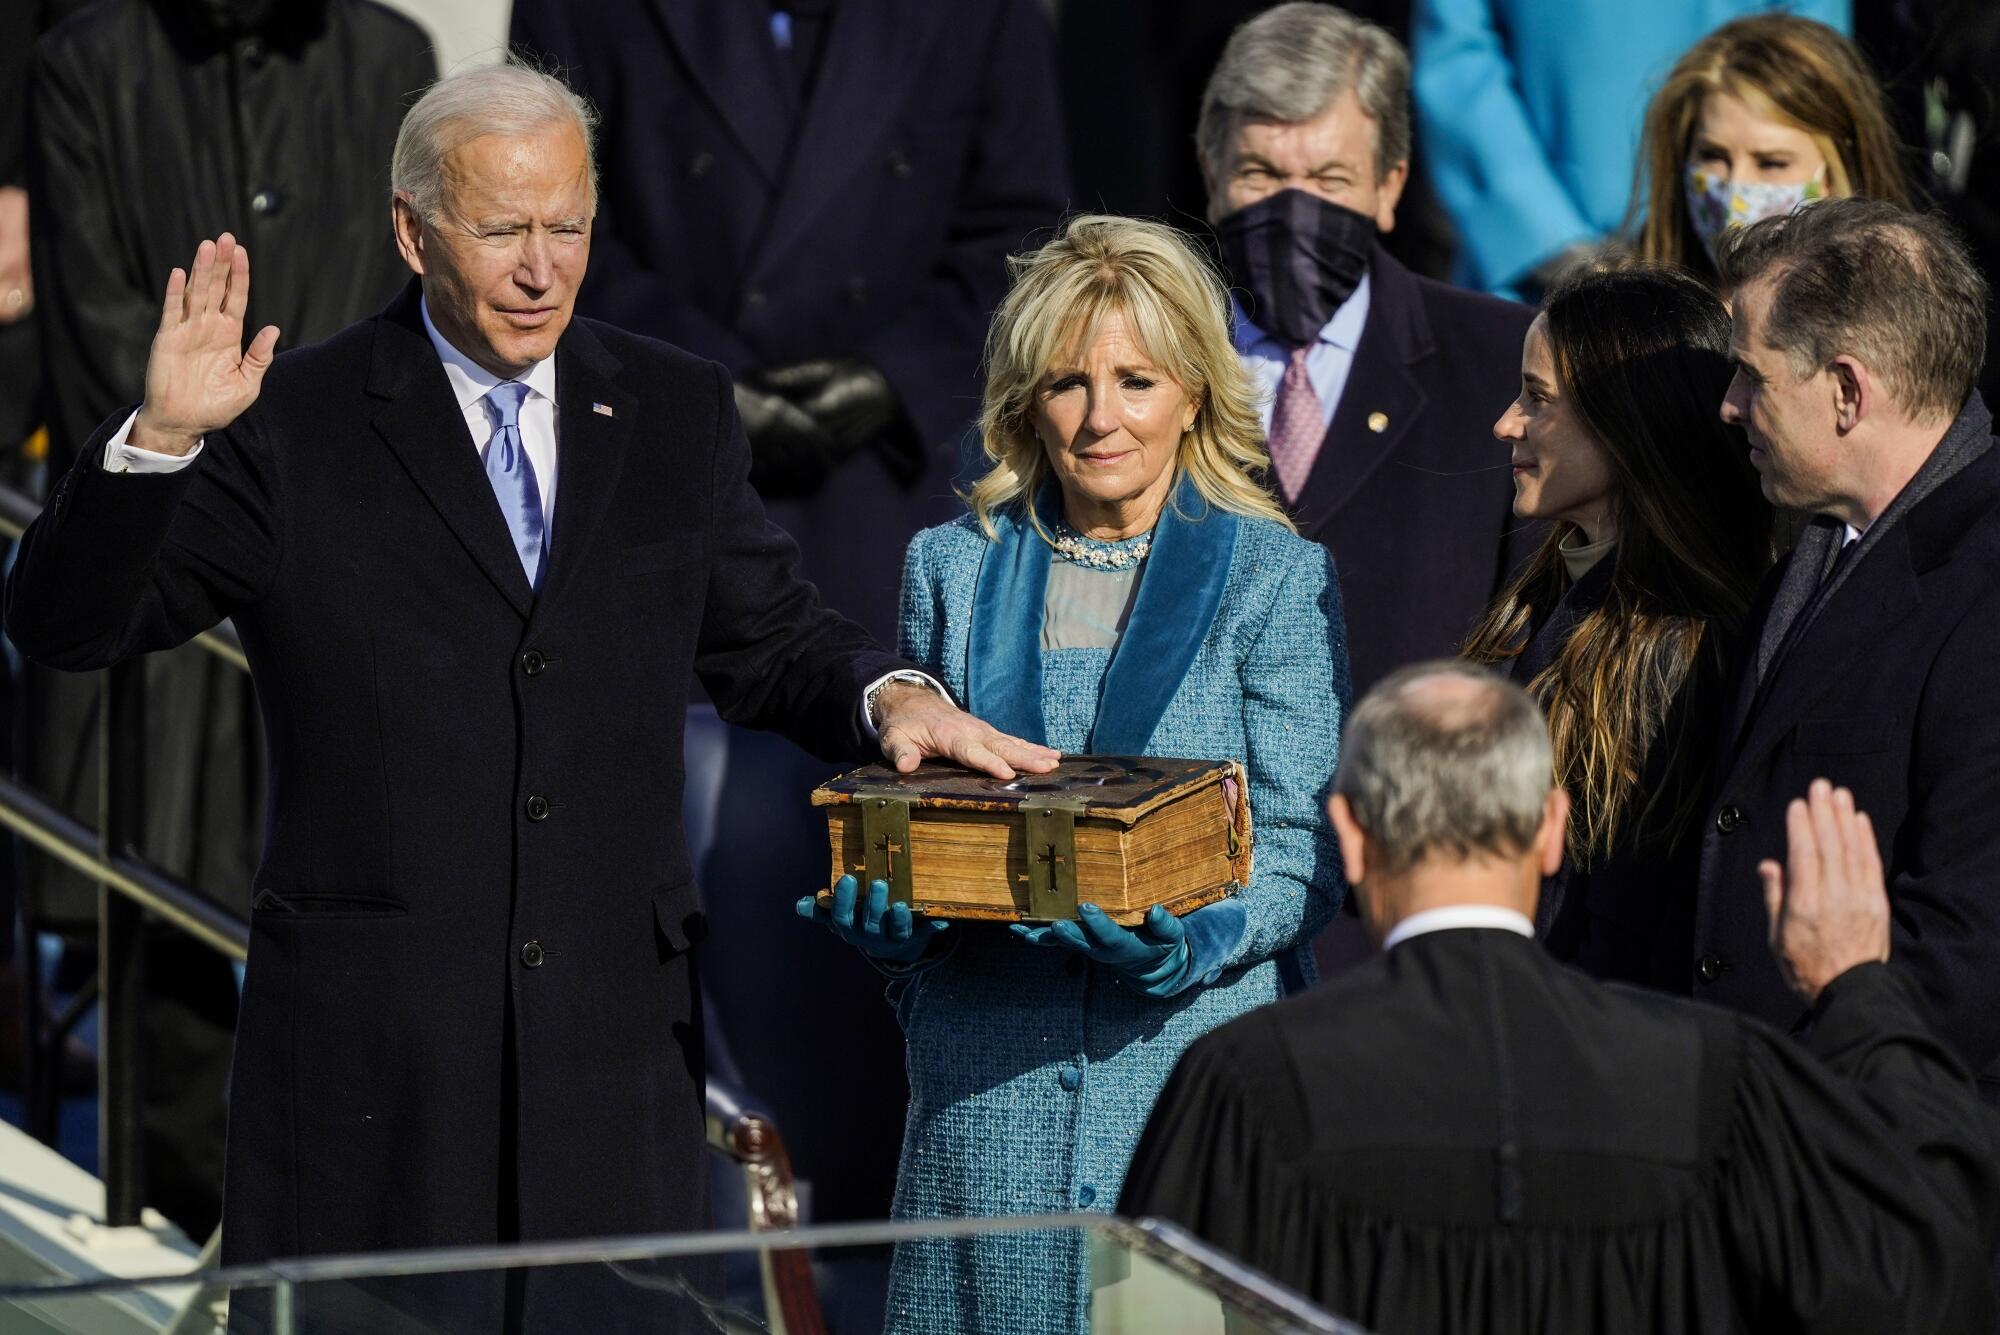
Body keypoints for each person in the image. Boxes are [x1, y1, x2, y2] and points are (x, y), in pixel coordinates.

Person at [2, 61, 1055, 1319]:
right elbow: (70, 625)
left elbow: (769, 634)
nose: (540, 267)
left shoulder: (672, 405)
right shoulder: (295, 421)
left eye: (567, 227)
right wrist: (159, 441)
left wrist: (889, 697)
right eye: (501, 230)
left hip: (609, 1070)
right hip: (371, 1081)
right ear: (412, 230)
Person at [797, 215, 1349, 1335]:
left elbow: (1303, 857)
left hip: (1187, 1095)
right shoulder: (947, 570)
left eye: (1135, 380)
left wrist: (1191, 938)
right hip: (980, 1098)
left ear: (1194, 390)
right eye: (1066, 383)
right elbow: (928, 833)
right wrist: (898, 937)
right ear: (1022, 403)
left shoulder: (1275, 577)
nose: (1101, 418)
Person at [1122, 662, 2000, 1333]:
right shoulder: (1718, 1080)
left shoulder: (1245, 1084)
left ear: (1349, 835)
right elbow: (1930, 1270)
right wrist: (1858, 991)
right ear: (1552, 829)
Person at [23, 0, 439, 1239]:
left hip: (348, 563)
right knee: (155, 929)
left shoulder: (391, 58)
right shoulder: (90, 61)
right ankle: (188, 1222)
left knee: (366, 912)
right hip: (168, 548)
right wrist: (223, 454)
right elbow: (94, 319)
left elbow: (402, 307)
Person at [507, 0, 1068, 640]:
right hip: (660, 477)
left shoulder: (986, 15)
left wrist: (895, 377)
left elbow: (1023, 241)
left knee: (877, 703)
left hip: (889, 486)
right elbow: (537, 226)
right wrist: (697, 382)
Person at [1694, 198, 2000, 1093]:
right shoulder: (1819, 540)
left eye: (1752, 375)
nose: (1729, 404)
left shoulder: (1983, 581)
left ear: (1847, 390)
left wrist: (1820, 1117)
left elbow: (1972, 939)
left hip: (1875, 1149)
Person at [1198, 2, 1535, 698]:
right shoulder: (1133, 365)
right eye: (1260, 174)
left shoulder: (1508, 363)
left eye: (1328, 181)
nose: (1293, 212)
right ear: (1211, 173)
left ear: (1390, 186)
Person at [1463, 265, 1770, 984]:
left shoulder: (1680, 642)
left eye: (1538, 399)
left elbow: (1622, 928)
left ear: (1630, 423)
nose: (1506, 423)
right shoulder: (1552, 585)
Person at [1411, 0, 1849, 300]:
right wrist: (1548, 238)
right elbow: (1457, 56)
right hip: (1537, 278)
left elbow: (1809, 62)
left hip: (1756, 265)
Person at [1630, 14, 1910, 288]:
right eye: (1713, 156)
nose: (1735, 187)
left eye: (1771, 163)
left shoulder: (1905, 316)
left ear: (1837, 171)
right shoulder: (1625, 314)